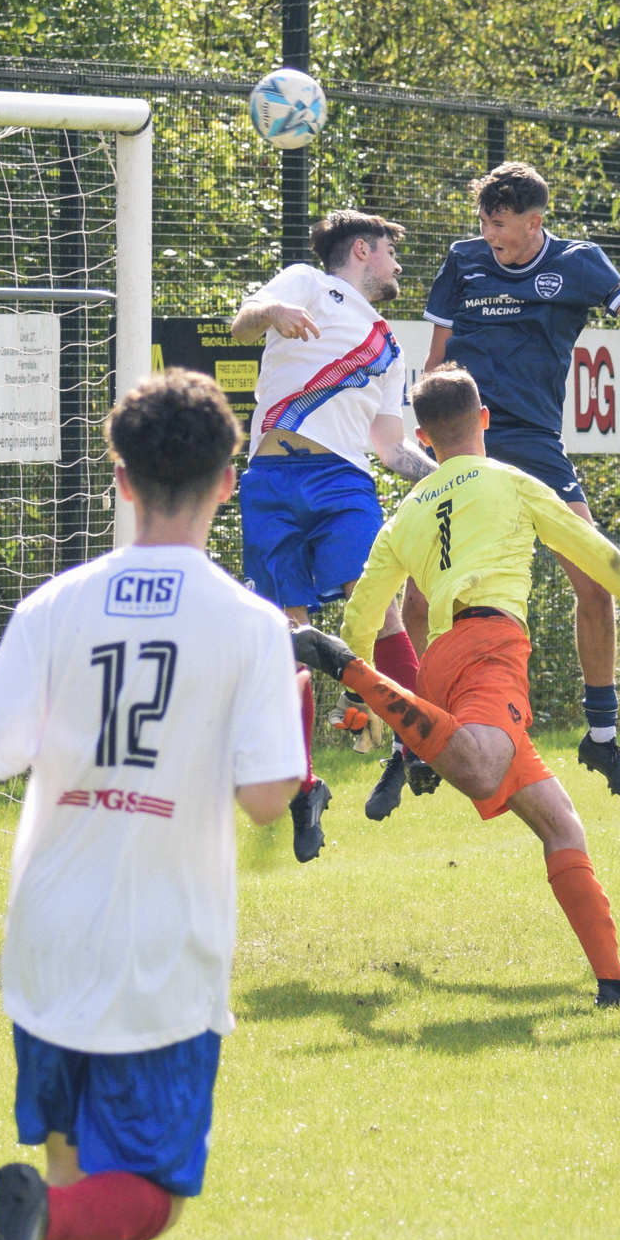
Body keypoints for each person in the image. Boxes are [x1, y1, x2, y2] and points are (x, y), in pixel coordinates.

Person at [0, 368, 305, 1240]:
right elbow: (266, 800)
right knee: (149, 1198)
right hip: (160, 949)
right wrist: (297, 717)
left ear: (120, 477)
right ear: (228, 482)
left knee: (70, 1170)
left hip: (48, 939)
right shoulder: (248, 622)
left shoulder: (56, 604)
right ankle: (37, 1231)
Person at [292, 366, 620, 1009]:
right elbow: (590, 547)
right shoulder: (511, 480)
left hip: (439, 665)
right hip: (491, 648)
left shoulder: (405, 513)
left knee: (561, 824)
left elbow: (364, 614)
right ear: (486, 421)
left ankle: (615, 982)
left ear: (423, 438)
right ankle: (397, 721)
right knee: (479, 768)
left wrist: (358, 699)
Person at [420, 160, 620, 806]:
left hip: (536, 444)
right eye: (484, 222)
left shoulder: (578, 263)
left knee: (594, 583)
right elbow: (435, 363)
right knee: (420, 592)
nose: (489, 235)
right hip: (466, 440)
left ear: (535, 221)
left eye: (500, 225)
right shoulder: (463, 261)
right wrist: (425, 433)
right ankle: (413, 740)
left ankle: (601, 736)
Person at [228, 209, 439, 860]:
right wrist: (272, 313)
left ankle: (414, 743)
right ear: (362, 250)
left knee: (378, 610)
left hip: (344, 483)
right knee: (287, 635)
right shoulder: (309, 283)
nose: (398, 266)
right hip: (270, 478)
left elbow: (390, 448)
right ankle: (304, 788)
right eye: (392, 253)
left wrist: (450, 478)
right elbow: (242, 320)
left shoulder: (389, 347)